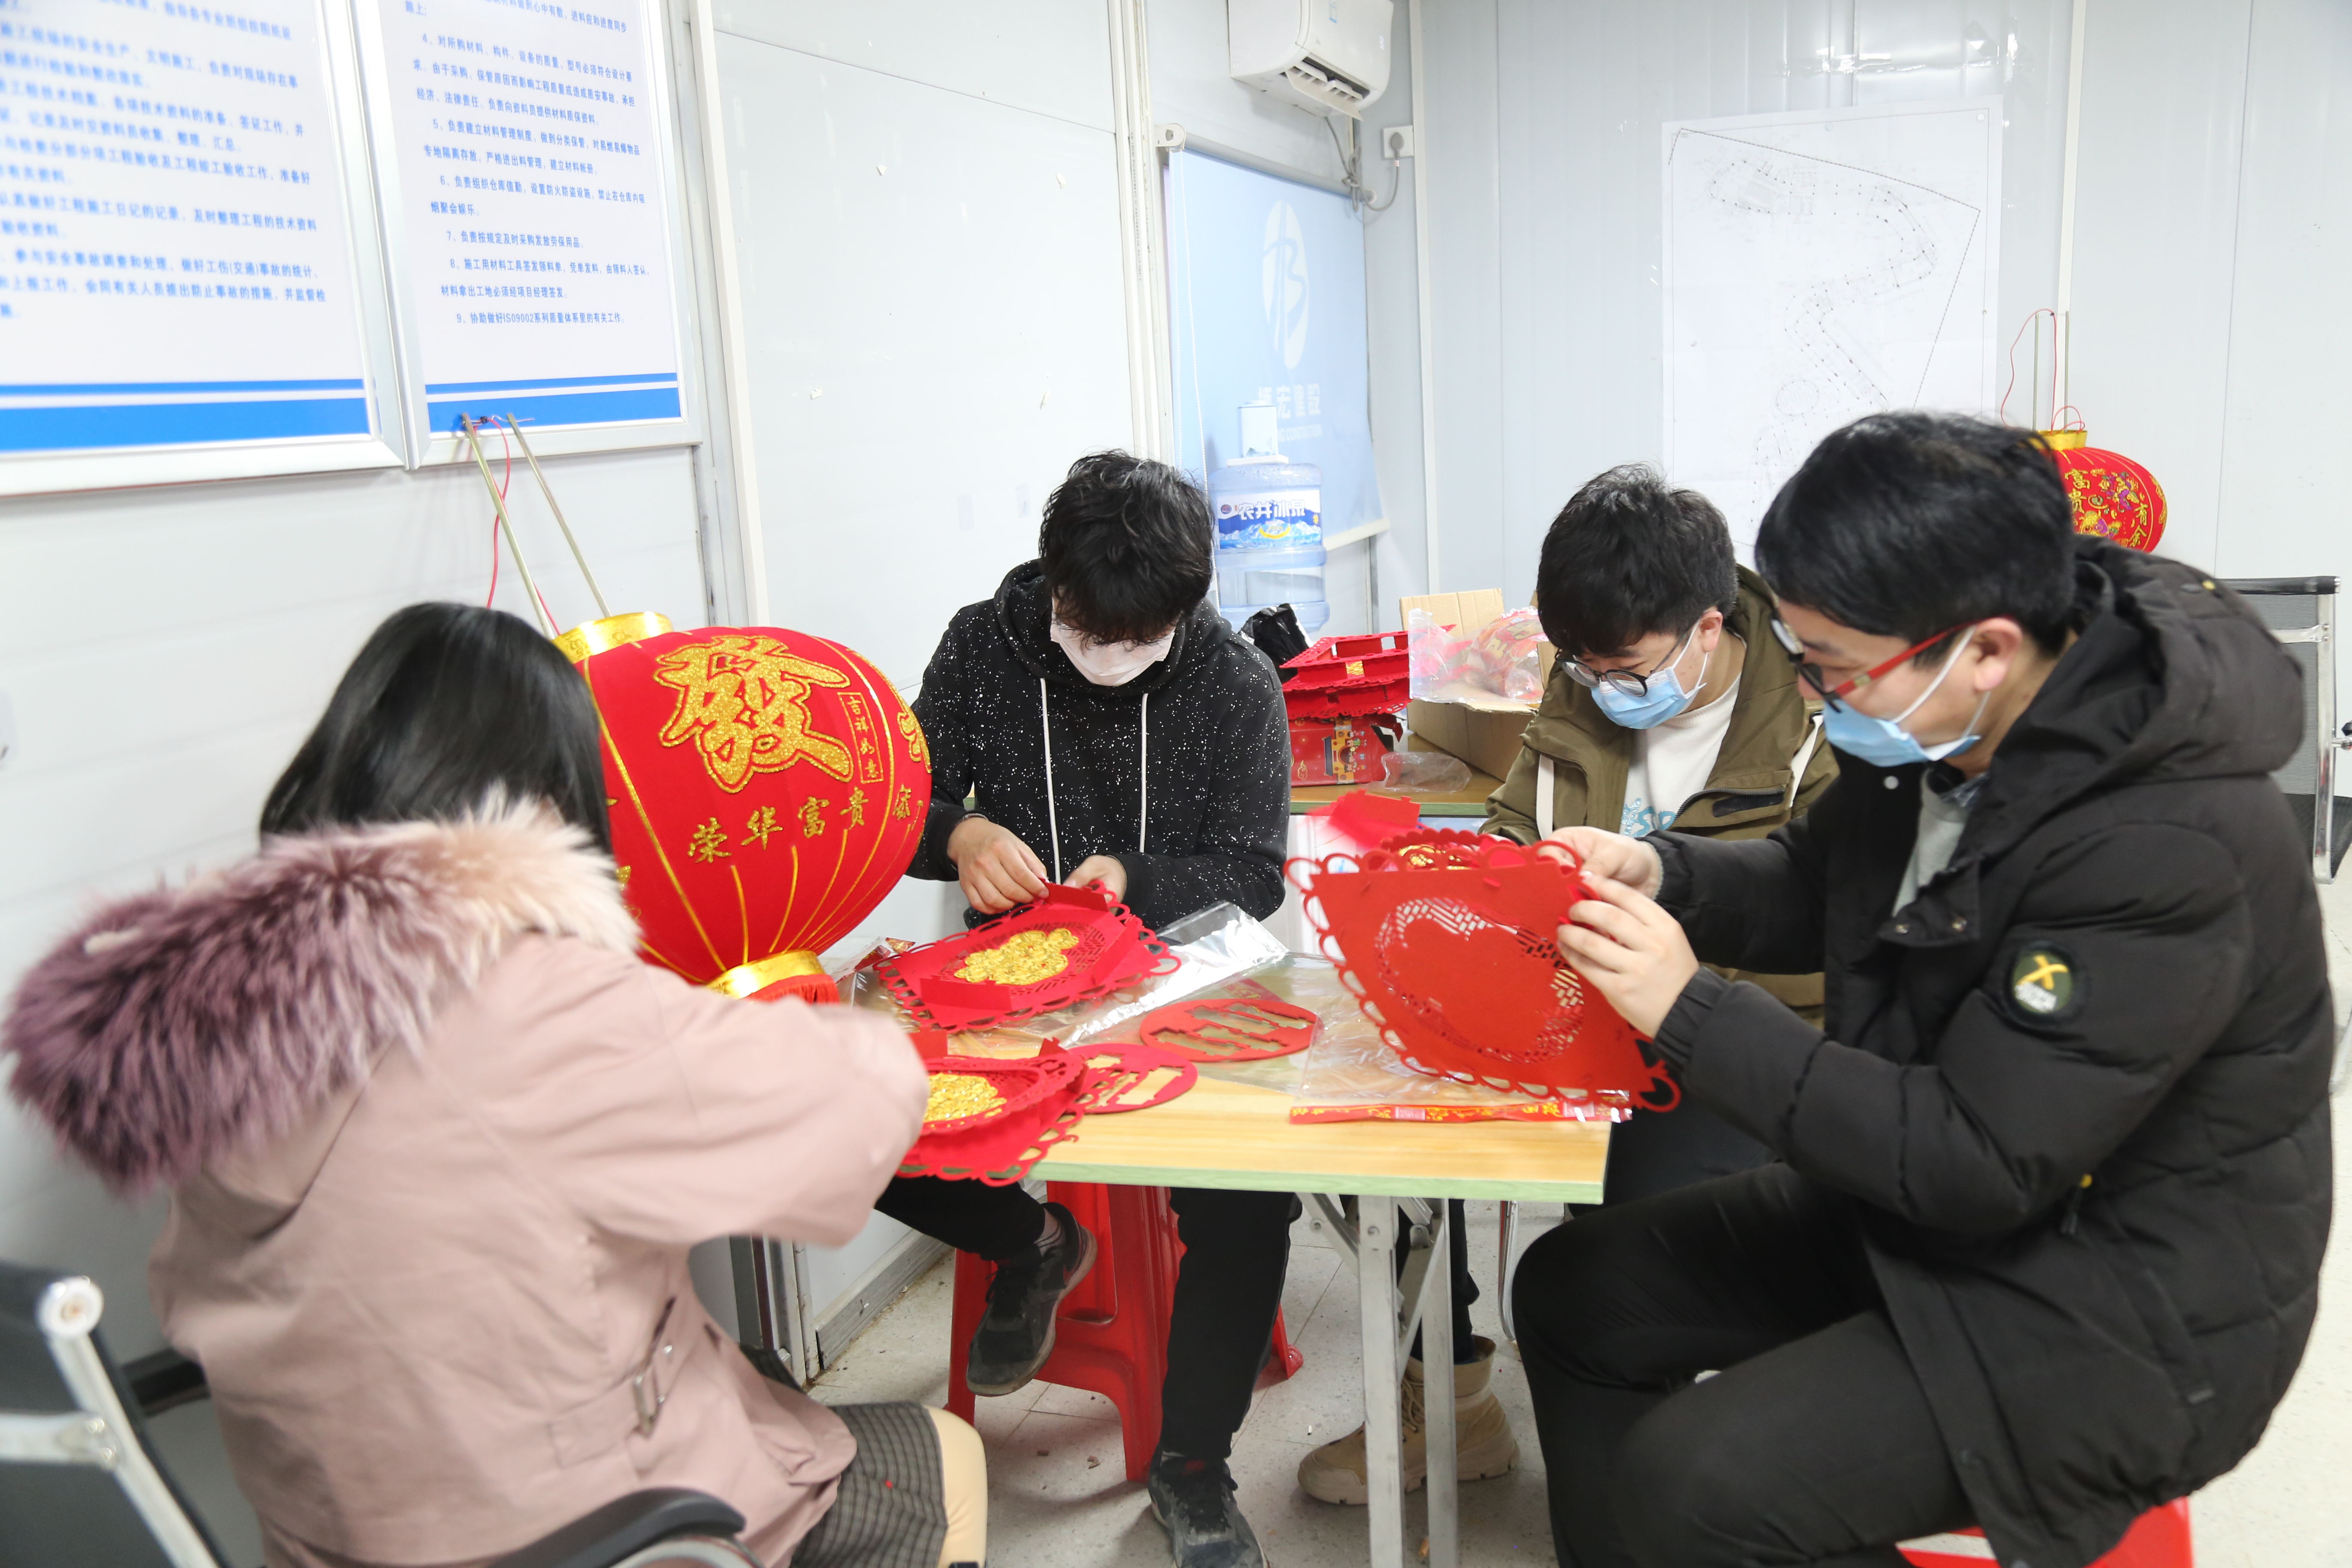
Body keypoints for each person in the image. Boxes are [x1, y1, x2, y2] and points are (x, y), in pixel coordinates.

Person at [3, 604, 985, 1568]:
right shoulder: (529, 993)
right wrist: (852, 1019)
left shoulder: (219, 1007)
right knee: (938, 1457)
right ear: (552, 797)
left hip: (328, 1534)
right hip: (578, 1525)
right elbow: (857, 1102)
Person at [1518, 412, 2332, 1568]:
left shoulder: (2167, 837)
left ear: (1985, 649)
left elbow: (1976, 1157)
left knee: (1695, 1487)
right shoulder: (1936, 732)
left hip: (2120, 1299)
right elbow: (1818, 879)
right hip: (1935, 1215)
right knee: (1576, 1290)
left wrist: (1690, 1010)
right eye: (1799, 655)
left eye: (1832, 667)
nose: (1812, 692)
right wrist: (1666, 872)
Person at [1296, 465, 1838, 1509]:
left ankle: (1656, 1465)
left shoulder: (1819, 713)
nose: (1600, 685)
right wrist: (1474, 880)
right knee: (1398, 1146)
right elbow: (1517, 819)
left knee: (1627, 1243)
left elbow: (1825, 926)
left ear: (1709, 628)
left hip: (1726, 1037)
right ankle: (1448, 1395)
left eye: (1625, 667)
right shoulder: (1589, 672)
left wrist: (1657, 962)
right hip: (1566, 1012)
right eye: (1581, 666)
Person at [876, 450, 1295, 1568]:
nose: (1107, 655)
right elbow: (900, 804)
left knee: (1249, 1202)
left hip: (1182, 982)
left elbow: (1254, 874)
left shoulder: (1236, 682)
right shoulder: (984, 646)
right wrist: (959, 834)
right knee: (853, 1114)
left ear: (1185, 608)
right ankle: (1032, 1242)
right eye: (1085, 628)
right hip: (1016, 987)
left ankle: (1191, 1466)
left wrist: (1133, 878)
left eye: (1136, 638)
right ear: (1054, 584)